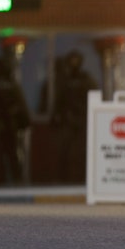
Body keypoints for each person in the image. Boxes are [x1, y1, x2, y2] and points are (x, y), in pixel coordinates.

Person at [51, 50, 98, 183]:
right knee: (63, 152)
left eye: (76, 61)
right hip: (67, 122)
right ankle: (62, 179)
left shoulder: (86, 79)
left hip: (83, 121)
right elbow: (58, 101)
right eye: (71, 61)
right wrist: (56, 117)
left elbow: (94, 99)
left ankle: (85, 179)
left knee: (83, 152)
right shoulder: (64, 80)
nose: (73, 64)